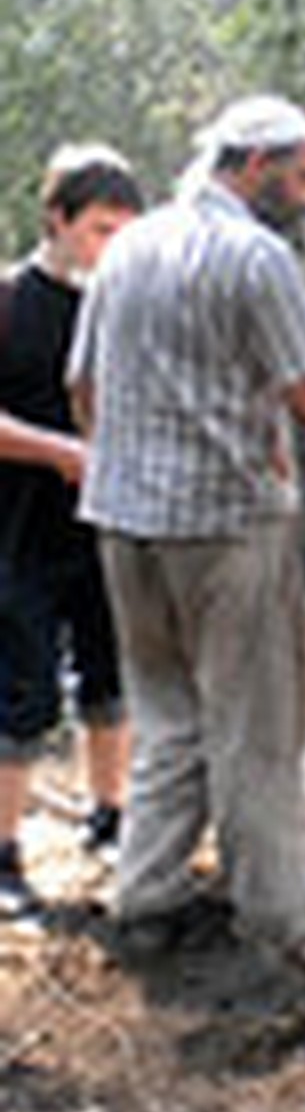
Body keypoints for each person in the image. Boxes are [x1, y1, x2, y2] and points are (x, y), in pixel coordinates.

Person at [68, 95, 305, 953]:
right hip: (226, 527)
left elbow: (82, 383)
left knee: (167, 716)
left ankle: (146, 900)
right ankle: (277, 917)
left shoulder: (127, 246)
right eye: (302, 173)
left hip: (124, 528)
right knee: (257, 726)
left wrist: (118, 465)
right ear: (253, 163)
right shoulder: (255, 256)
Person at [0, 144, 144, 919]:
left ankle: (110, 820)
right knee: (19, 695)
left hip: (106, 530)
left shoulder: (121, 307)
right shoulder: (9, 301)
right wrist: (57, 450)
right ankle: (5, 856)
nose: (113, 246)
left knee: (110, 679)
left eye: (128, 230)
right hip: (16, 536)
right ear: (56, 220)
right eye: (100, 228)